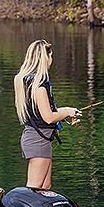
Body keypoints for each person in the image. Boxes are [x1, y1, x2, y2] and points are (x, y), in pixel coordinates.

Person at [13, 39, 81, 190]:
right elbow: (48, 117)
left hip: (39, 137)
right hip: (38, 140)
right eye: (51, 56)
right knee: (34, 187)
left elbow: (43, 111)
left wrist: (66, 111)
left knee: (45, 186)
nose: (52, 60)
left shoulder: (27, 81)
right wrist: (67, 112)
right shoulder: (39, 85)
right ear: (46, 57)